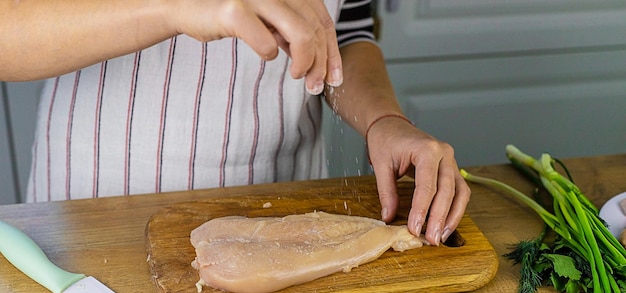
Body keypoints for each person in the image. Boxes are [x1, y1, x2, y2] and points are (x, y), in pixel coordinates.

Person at [0, 0, 470, 246]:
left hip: (283, 196)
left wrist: (384, 118)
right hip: (102, 197)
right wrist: (174, 6)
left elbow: (345, 29)